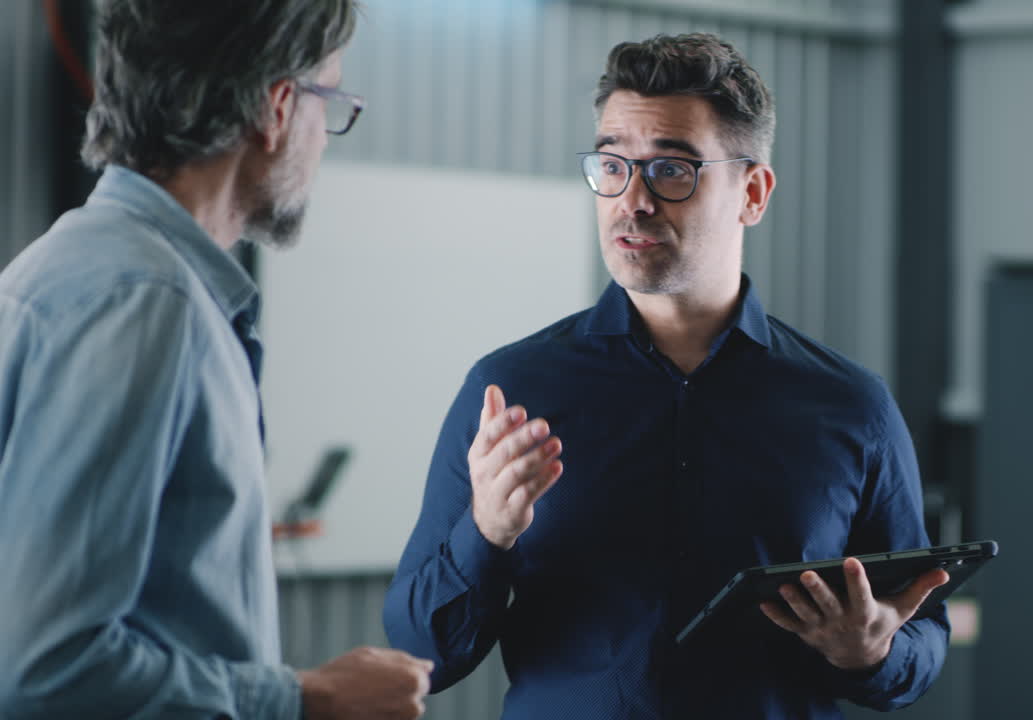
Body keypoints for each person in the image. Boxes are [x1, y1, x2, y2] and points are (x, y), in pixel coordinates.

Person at [384, 32, 950, 718]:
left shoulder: (852, 407)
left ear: (753, 192)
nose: (634, 200)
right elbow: (421, 655)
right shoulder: (508, 392)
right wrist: (486, 531)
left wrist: (873, 651)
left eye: (672, 171)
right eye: (612, 165)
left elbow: (921, 636)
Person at [0, 2, 433, 718]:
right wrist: (306, 698)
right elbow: (46, 670)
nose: (326, 138)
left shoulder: (74, 272)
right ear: (278, 108)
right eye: (331, 101)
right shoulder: (143, 302)